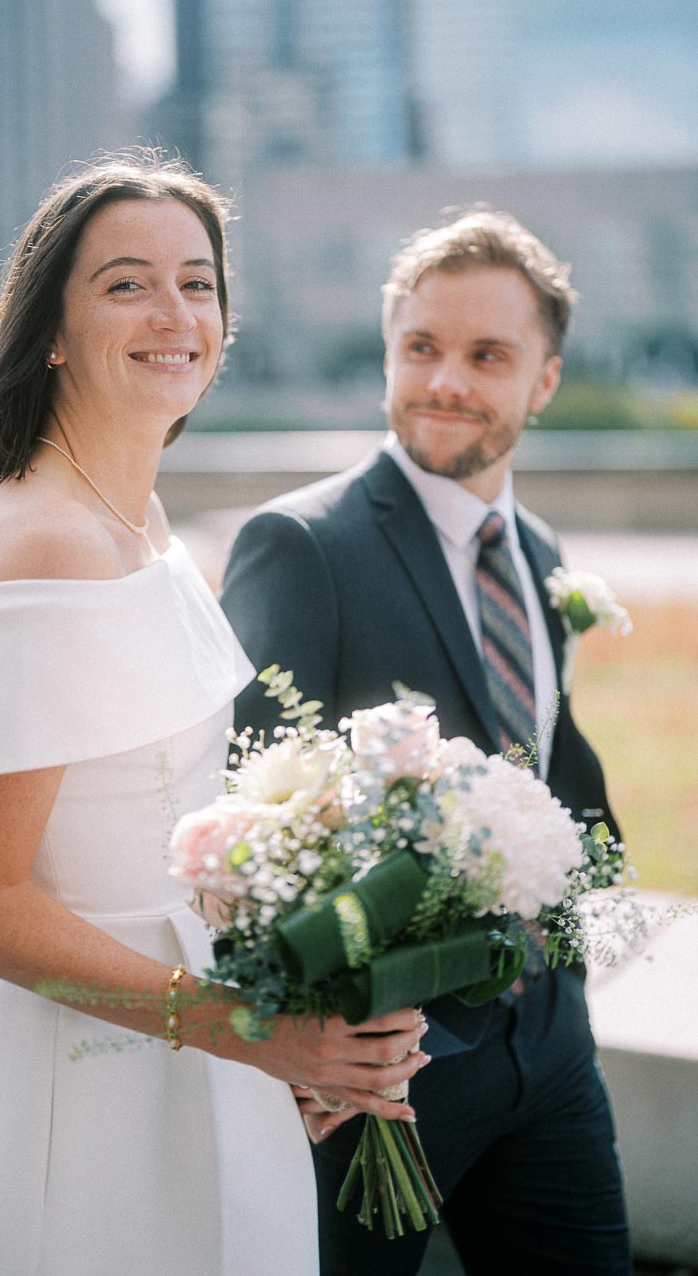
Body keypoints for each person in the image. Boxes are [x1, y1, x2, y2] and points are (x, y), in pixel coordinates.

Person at [0, 153, 430, 1276]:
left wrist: (297, 1030)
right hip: (84, 1090)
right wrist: (257, 1032)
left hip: (194, 1045)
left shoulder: (138, 520)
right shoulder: (45, 539)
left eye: (198, 282)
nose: (175, 313)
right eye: (127, 284)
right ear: (50, 329)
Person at [220, 210, 632, 1276]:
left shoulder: (538, 551)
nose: (445, 380)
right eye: (421, 348)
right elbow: (249, 822)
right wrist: (306, 1044)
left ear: (544, 382)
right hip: (377, 1079)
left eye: (487, 355)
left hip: (547, 1051)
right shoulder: (300, 545)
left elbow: (548, 760)